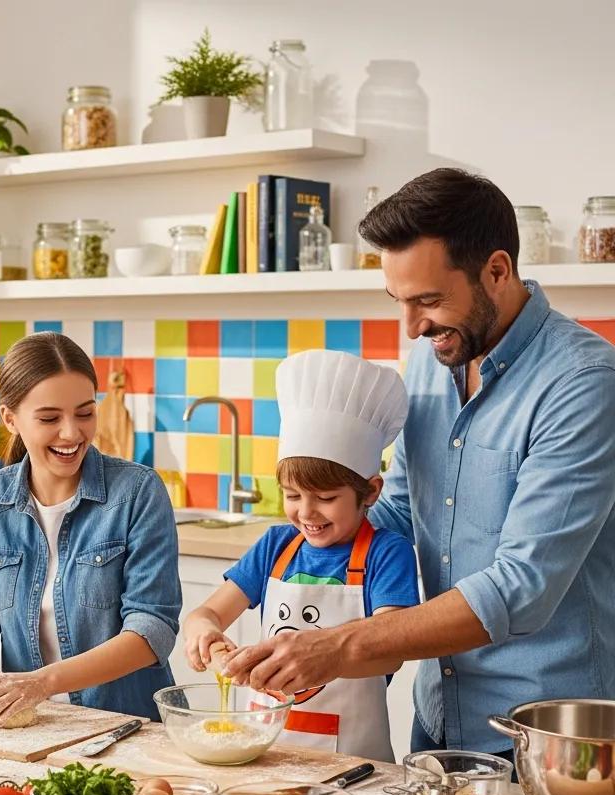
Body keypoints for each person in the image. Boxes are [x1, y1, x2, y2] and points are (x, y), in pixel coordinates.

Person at [226, 168, 615, 756]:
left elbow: (521, 588)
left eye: (429, 300)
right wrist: (292, 549)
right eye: (400, 302)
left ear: (498, 270)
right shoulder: (431, 361)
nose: (412, 326)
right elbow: (399, 511)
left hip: (544, 733)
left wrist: (339, 646)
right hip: (437, 714)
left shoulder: (583, 383)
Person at [183, 350, 417, 761]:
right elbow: (205, 614)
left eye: (326, 498)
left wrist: (324, 655)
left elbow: (390, 651)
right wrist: (206, 638)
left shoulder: (386, 552)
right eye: (292, 496)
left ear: (372, 491)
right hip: (265, 750)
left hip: (355, 762)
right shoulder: (277, 546)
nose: (306, 513)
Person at [0, 331, 181, 726]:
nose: (72, 433)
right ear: (10, 418)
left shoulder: (137, 492)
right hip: (33, 726)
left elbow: (151, 629)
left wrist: (41, 683)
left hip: (125, 724)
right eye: (50, 418)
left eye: (85, 413)